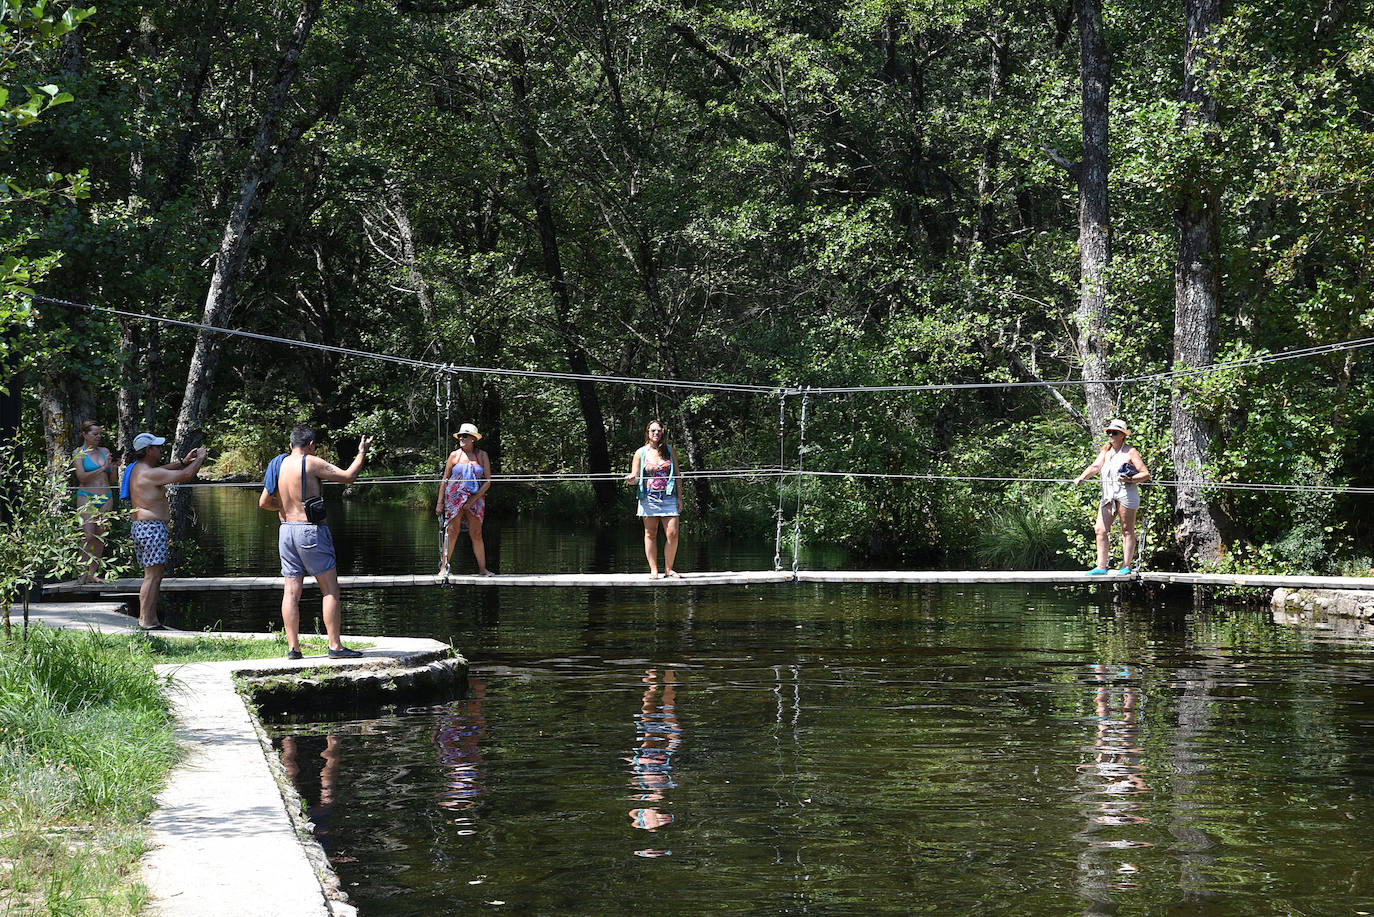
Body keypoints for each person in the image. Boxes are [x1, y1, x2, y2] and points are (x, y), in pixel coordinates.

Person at [260, 425, 372, 659]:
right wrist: (362, 452)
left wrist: (283, 508)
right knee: (330, 589)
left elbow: (264, 502)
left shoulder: (278, 464)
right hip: (310, 531)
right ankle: (335, 646)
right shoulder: (311, 462)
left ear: (291, 445)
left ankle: (293, 649)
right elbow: (349, 477)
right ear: (310, 445)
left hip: (286, 531)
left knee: (291, 591)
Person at [126, 432, 208, 629]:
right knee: (152, 576)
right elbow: (186, 476)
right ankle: (145, 620)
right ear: (148, 451)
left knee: (154, 575)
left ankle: (151, 619)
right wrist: (201, 458)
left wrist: (183, 460)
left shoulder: (140, 469)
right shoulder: (149, 473)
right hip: (151, 528)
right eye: (157, 447)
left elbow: (164, 470)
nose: (160, 449)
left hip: (144, 528)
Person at [1072, 418, 1151, 575]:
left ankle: (1126, 566)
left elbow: (1145, 474)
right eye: (1109, 432)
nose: (1110, 435)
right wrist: (1081, 477)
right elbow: (1095, 467)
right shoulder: (1106, 451)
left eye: (1114, 432)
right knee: (1100, 529)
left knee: (1127, 529)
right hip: (1108, 495)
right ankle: (1101, 567)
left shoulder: (1130, 451)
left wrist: (1130, 479)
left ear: (1122, 435)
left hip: (1126, 494)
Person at [624, 420, 682, 579]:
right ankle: (654, 570)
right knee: (650, 533)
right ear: (648, 433)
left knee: (673, 533)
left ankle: (669, 569)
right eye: (653, 431)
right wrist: (631, 480)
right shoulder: (640, 452)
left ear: (662, 432)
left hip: (669, 496)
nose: (656, 433)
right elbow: (635, 478)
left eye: (658, 431)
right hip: (648, 498)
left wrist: (680, 498)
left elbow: (677, 475)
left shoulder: (669, 450)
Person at [434, 422, 493, 577]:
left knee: (476, 533)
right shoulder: (454, 455)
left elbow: (488, 481)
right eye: (460, 435)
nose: (461, 438)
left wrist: (473, 500)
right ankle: (443, 569)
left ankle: (482, 569)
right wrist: (440, 502)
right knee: (452, 531)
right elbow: (445, 479)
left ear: (473, 438)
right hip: (454, 497)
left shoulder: (482, 455)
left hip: (476, 497)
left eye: (465, 435)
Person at [72, 419, 117, 583]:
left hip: (106, 496)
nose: (98, 437)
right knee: (88, 535)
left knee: (100, 536)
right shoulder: (79, 452)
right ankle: (82, 572)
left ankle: (93, 573)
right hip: (87, 496)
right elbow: (81, 477)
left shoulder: (105, 451)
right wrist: (102, 468)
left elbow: (112, 479)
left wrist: (114, 468)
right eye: (95, 434)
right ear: (84, 434)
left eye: (100, 434)